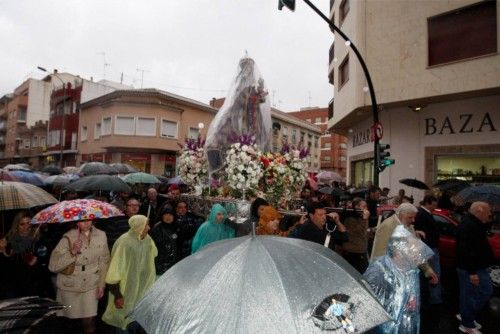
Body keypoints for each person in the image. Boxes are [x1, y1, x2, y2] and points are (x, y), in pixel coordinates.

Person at [364, 225, 434, 334]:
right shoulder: (378, 274)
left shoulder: (408, 271)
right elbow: (368, 314)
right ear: (399, 252)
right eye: (414, 252)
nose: (419, 257)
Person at [49, 220, 110, 334]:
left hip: (91, 283)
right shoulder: (67, 237)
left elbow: (104, 261)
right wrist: (72, 252)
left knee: (89, 320)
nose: (86, 223)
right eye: (82, 220)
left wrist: (101, 285)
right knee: (69, 319)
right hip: (70, 284)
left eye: (89, 219)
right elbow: (53, 266)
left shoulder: (101, 235)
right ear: (76, 222)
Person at [102, 215, 157, 332]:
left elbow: (154, 254)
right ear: (139, 226)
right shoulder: (124, 242)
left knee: (137, 320)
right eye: (146, 225)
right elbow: (114, 271)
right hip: (124, 291)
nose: (149, 228)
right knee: (122, 319)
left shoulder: (148, 240)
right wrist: (117, 295)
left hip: (142, 290)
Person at [371, 203, 438, 285]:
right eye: (410, 217)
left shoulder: (408, 227)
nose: (413, 220)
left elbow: (414, 251)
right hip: (387, 276)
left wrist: (427, 270)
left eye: (414, 217)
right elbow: (379, 254)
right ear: (401, 214)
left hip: (403, 276)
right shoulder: (388, 226)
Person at [456, 202, 494, 334]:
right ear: (479, 210)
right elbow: (465, 251)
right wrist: (472, 273)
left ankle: (466, 315)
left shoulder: (474, 222)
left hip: (475, 267)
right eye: (488, 211)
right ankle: (466, 324)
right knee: (481, 292)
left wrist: (487, 221)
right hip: (471, 268)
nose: (490, 213)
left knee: (470, 295)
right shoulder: (468, 225)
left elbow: (480, 237)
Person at [0, 212, 45, 298]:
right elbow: (5, 264)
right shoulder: (9, 239)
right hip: (11, 285)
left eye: (29, 223)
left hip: (33, 284)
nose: (26, 227)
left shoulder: (38, 240)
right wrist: (2, 250)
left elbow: (35, 262)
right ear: (16, 225)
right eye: (22, 224)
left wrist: (35, 255)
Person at [150, 205, 194, 276]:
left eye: (170, 215)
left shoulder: (177, 226)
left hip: (175, 262)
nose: (168, 217)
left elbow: (183, 240)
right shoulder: (157, 228)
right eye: (166, 215)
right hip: (160, 263)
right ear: (162, 216)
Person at [414, 195, 442, 306]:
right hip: (429, 249)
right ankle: (435, 299)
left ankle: (433, 297)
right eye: (433, 205)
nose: (435, 207)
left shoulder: (424, 213)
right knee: (433, 273)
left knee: (431, 273)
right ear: (427, 203)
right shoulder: (422, 214)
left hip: (430, 248)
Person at [342, 198, 371, 273]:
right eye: (364, 207)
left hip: (360, 251)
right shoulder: (350, 219)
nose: (366, 209)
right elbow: (361, 232)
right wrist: (365, 219)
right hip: (353, 253)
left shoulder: (360, 217)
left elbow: (364, 232)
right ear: (356, 207)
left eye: (366, 206)